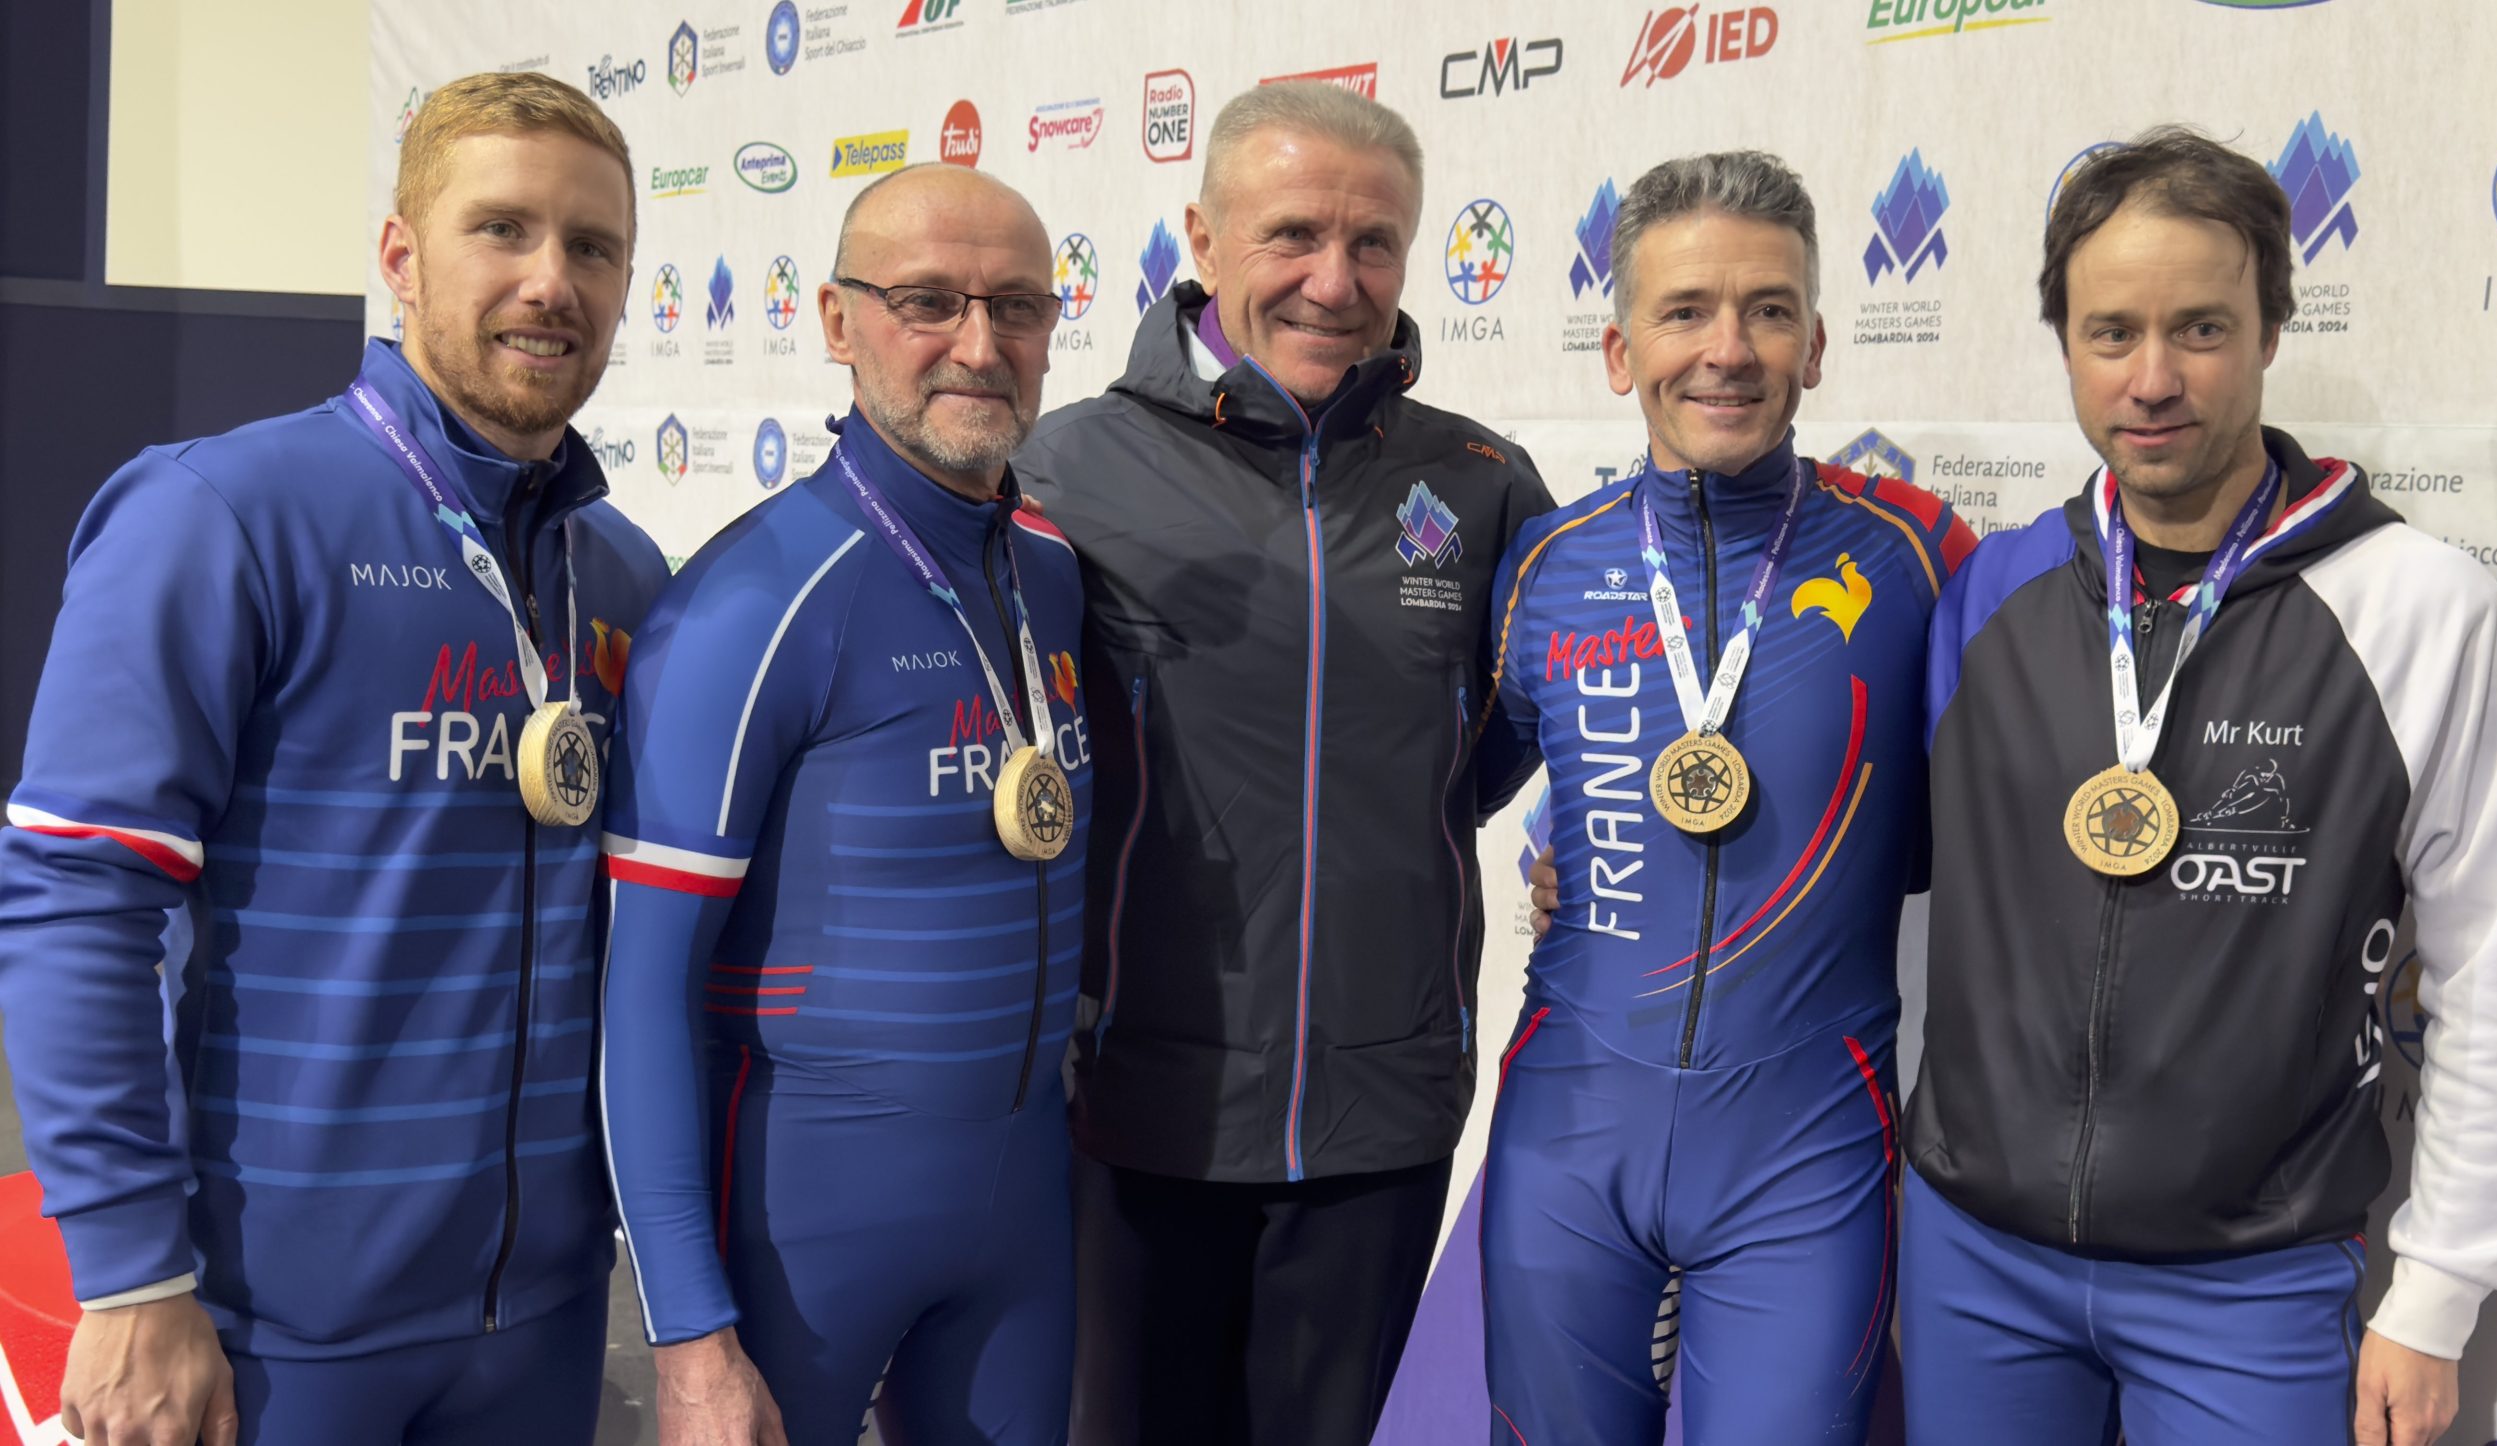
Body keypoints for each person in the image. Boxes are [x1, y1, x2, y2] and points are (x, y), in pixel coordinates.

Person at [0, 71, 665, 1445]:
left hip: (540, 1327)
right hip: (266, 1328)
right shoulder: (219, 514)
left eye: (592, 247)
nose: (552, 281)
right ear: (400, 256)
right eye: (504, 229)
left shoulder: (622, 573)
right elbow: (80, 899)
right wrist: (131, 1273)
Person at [1903, 126, 2497, 1446]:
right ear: (2066, 343)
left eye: (2201, 327)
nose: (2152, 379)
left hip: (2248, 1277)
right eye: (2110, 332)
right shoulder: (1989, 590)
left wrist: (2436, 1293)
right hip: (1975, 1258)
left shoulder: (2422, 607)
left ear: (2271, 327)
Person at [1012, 82, 1554, 1442]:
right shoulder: (1064, 470)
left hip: (1382, 1115)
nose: (1335, 280)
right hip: (1136, 1109)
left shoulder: (1483, 485)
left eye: (1375, 243)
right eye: (1293, 234)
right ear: (1201, 235)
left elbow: (1497, 748)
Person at [1479, 152, 1972, 1443]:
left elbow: (1978, 819)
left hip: (1805, 1139)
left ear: (1817, 342)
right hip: (1569, 1127)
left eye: (1767, 309)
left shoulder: (1924, 552)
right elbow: (1492, 782)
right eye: (1687, 309)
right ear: (1617, 345)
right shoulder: (1548, 565)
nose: (1728, 350)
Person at [599, 164, 1082, 1445]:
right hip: (800, 1231)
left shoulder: (1052, 576)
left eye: (1018, 307)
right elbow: (640, 991)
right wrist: (692, 1342)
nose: (978, 346)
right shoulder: (752, 602)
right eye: (927, 301)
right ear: (833, 322)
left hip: (1024, 1218)